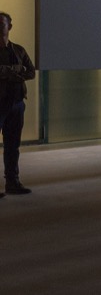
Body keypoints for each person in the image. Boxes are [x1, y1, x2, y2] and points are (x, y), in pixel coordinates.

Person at [0, 12, 36, 197]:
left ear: (10, 27)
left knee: (12, 146)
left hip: (16, 104)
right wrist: (12, 71)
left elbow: (31, 72)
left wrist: (10, 72)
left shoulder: (18, 50)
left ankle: (12, 183)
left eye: (2, 24)